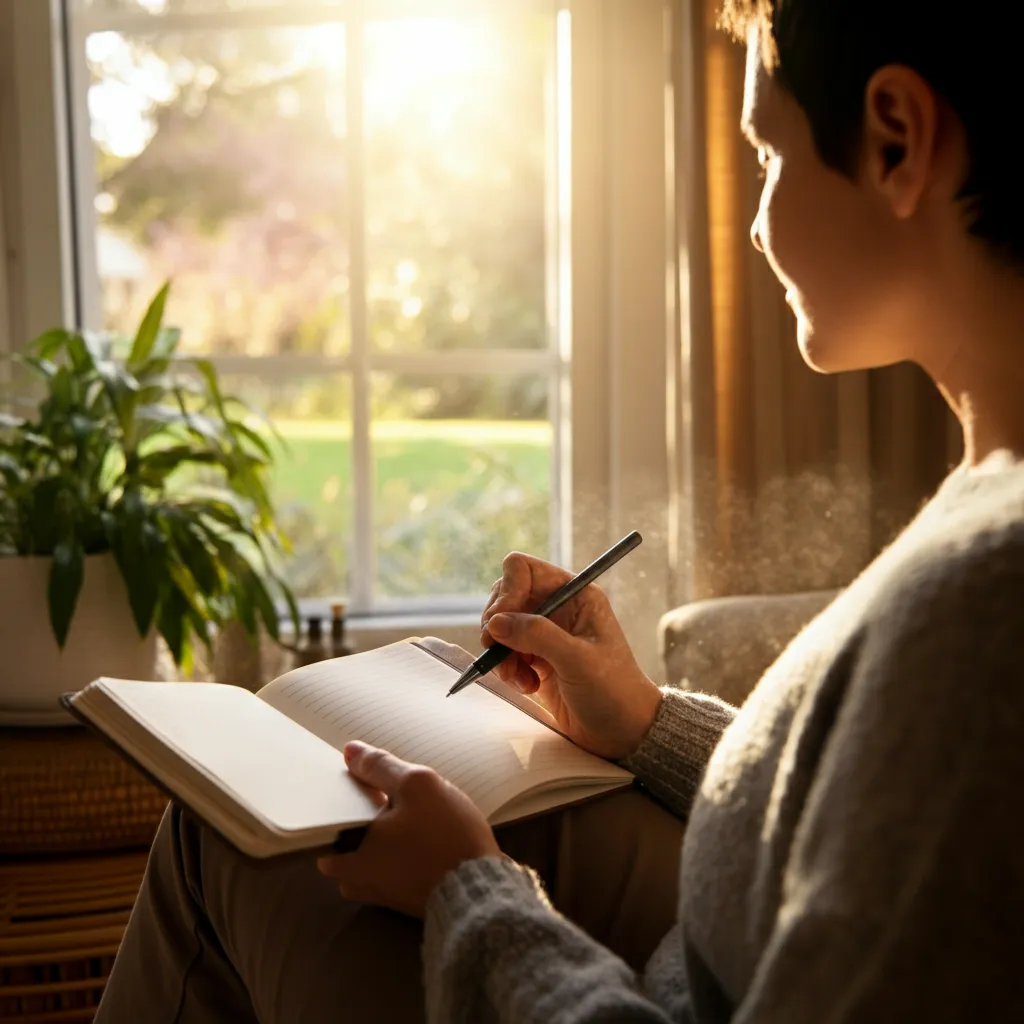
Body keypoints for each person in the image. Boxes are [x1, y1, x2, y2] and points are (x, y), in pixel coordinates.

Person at [97, 1, 1024, 1021]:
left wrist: (471, 891)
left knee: (215, 838)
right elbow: (857, 807)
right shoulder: (984, 511)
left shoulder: (980, 614)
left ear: (895, 139)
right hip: (700, 933)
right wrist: (645, 722)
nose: (756, 219)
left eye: (766, 152)